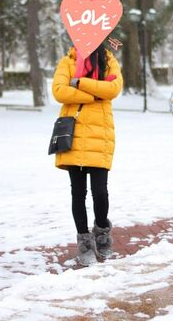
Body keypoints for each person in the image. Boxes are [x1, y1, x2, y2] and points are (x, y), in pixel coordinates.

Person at [51, 39, 123, 266]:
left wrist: (79, 82)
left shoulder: (109, 61)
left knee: (100, 192)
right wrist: (94, 94)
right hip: (74, 134)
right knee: (78, 192)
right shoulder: (67, 61)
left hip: (100, 135)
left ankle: (102, 235)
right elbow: (59, 91)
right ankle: (84, 242)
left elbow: (113, 89)